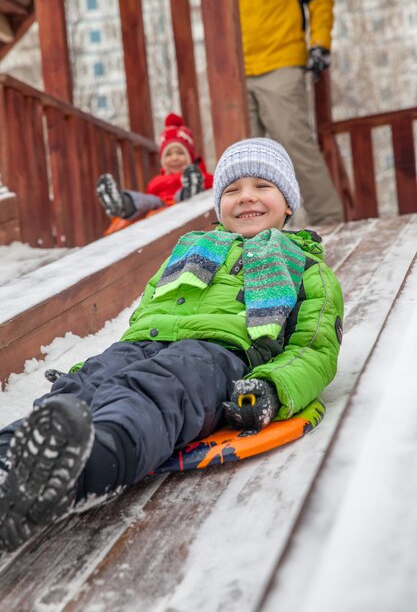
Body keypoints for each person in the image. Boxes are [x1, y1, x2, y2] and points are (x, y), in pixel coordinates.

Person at [0, 138, 344, 553]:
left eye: (262, 186)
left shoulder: (307, 268)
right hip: (147, 345)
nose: (246, 197)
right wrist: (91, 370)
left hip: (217, 356)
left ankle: (84, 468)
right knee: (93, 382)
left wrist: (273, 386)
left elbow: (315, 349)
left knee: (157, 388)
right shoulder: (192, 251)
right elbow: (145, 318)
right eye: (232, 190)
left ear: (288, 202)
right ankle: (10, 462)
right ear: (219, 206)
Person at [237, 0, 344, 226]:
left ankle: (329, 222)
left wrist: (320, 43)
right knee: (244, 160)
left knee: (295, 144)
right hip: (234, 69)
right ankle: (256, 232)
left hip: (280, 59)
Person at [97, 113, 213, 235]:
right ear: (162, 161)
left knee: (180, 196)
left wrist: (199, 181)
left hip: (181, 204)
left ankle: (191, 189)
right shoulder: (157, 181)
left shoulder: (204, 177)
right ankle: (123, 203)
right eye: (168, 154)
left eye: (180, 153)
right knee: (147, 201)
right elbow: (149, 200)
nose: (174, 158)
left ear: (190, 156)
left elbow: (215, 187)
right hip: (160, 208)